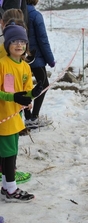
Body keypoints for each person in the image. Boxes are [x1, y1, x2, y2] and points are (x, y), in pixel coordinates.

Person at [0, 24, 43, 202]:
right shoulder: (2, 64)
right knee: (8, 155)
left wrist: (34, 93)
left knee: (11, 152)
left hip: (16, 118)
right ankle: (11, 190)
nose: (19, 45)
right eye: (14, 41)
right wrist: (13, 98)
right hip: (4, 118)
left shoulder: (25, 67)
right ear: (7, 44)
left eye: (22, 41)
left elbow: (25, 93)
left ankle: (5, 186)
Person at [24, 0, 55, 129]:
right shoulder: (35, 15)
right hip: (35, 58)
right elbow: (42, 39)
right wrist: (50, 59)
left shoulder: (18, 12)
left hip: (21, 57)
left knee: (23, 86)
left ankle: (28, 116)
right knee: (44, 84)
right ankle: (33, 117)